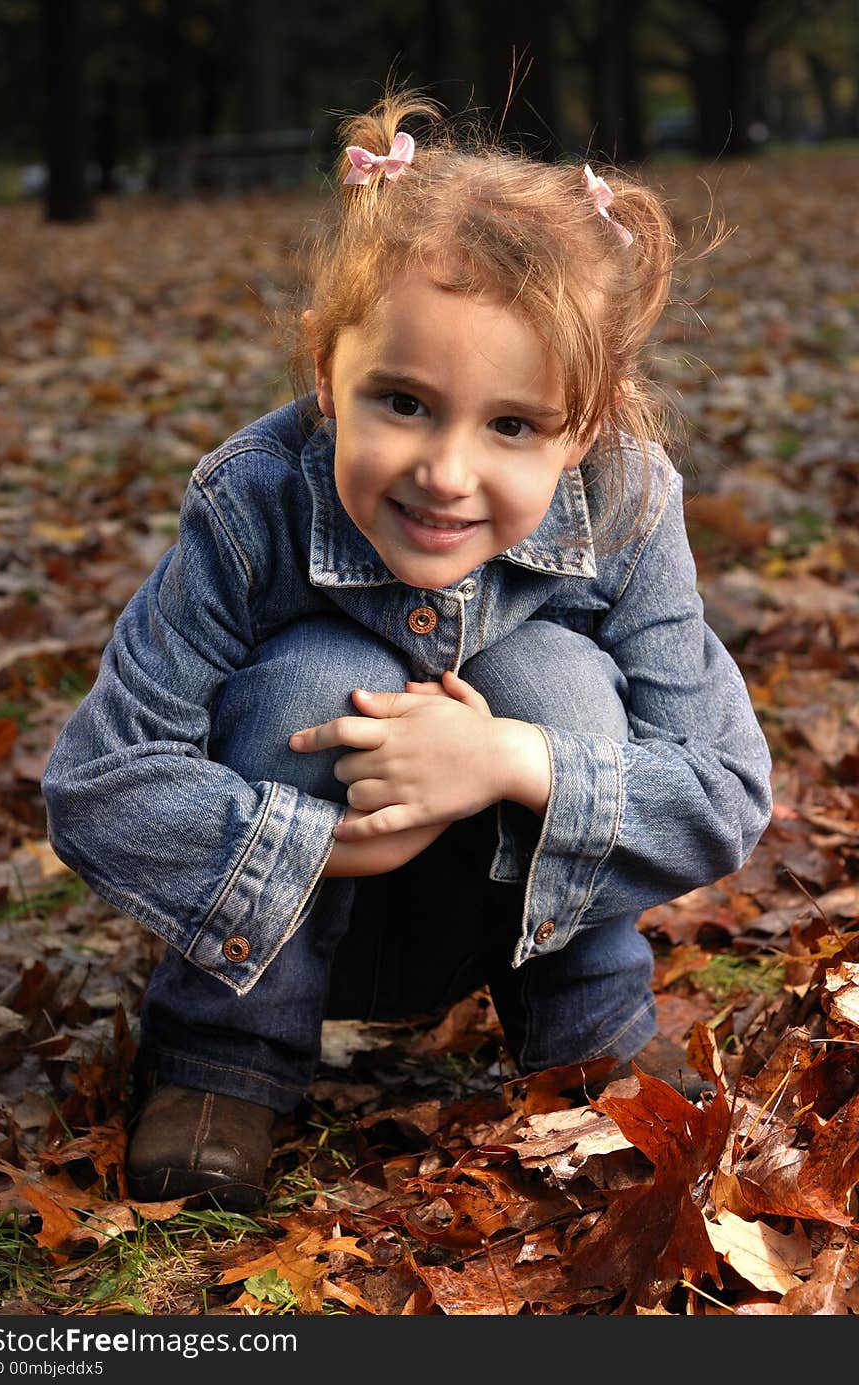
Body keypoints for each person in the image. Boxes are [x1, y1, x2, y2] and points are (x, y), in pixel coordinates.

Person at [41, 89, 772, 1212]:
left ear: (587, 425)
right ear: (327, 373)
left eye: (511, 425)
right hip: (281, 923)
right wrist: (308, 839)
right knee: (307, 678)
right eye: (403, 402)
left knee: (555, 676)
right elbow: (97, 780)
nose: (445, 470)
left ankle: (587, 1043)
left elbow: (725, 787)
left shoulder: (628, 502)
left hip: (503, 916)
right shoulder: (252, 499)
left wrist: (508, 762)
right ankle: (222, 1065)